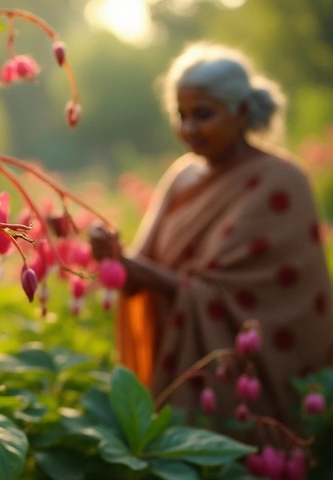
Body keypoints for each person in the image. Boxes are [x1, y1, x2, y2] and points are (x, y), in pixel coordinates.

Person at [91, 42, 333, 419]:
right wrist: (110, 254)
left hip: (244, 382)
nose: (188, 129)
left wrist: (131, 266)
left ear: (240, 111)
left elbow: (267, 301)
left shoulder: (282, 182)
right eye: (181, 115)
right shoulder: (181, 176)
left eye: (202, 114)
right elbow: (137, 274)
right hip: (174, 362)